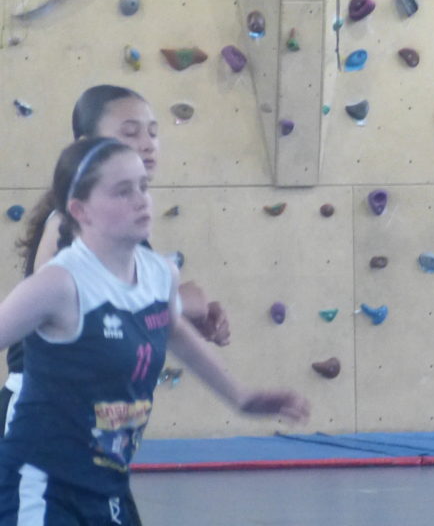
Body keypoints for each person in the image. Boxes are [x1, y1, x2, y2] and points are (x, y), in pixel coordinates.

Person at [0, 137, 308, 524]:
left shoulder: (160, 274)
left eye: (143, 186)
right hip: (41, 485)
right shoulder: (60, 284)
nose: (141, 200)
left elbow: (173, 330)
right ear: (81, 210)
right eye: (122, 191)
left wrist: (241, 397)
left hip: (107, 486)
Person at [4, 87, 229, 430]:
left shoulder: (124, 228)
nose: (147, 144)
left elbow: (127, 322)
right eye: (130, 133)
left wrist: (178, 320)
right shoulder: (68, 224)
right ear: (87, 145)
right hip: (43, 410)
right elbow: (72, 312)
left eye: (153, 132)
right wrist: (178, 303)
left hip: (96, 411)